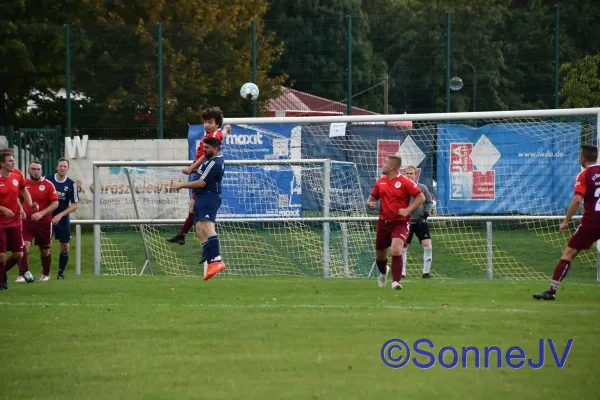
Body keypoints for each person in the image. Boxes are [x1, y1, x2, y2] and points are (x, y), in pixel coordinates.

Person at [534, 144, 600, 300]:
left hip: (592, 222)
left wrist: (565, 221)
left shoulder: (584, 174)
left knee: (568, 253)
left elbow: (577, 200)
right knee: (572, 252)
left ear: (582, 158)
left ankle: (551, 292)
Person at [167, 106, 231, 247]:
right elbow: (222, 134)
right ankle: (183, 235)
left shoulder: (212, 137)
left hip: (202, 173)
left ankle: (185, 236)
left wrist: (191, 168)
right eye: (205, 122)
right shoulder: (217, 133)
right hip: (201, 171)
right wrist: (226, 129)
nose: (207, 125)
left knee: (194, 210)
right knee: (193, 209)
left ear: (217, 124)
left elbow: (204, 156)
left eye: (210, 122)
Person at [367, 154, 425, 290]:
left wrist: (407, 210)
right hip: (383, 223)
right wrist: (370, 203)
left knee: (396, 249)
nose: (382, 165)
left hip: (400, 223)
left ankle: (396, 282)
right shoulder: (380, 181)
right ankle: (383, 272)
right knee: (380, 256)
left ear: (392, 166)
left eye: (385, 163)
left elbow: (420, 197)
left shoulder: (405, 182)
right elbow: (373, 197)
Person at [173, 136, 226, 281]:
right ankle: (210, 260)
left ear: (216, 149)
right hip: (202, 197)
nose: (204, 150)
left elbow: (201, 183)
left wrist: (182, 185)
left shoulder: (215, 163)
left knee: (208, 228)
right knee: (199, 228)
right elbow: (202, 172)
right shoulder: (210, 159)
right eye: (203, 148)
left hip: (209, 197)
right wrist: (192, 170)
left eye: (207, 148)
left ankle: (217, 260)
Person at [13, 161, 59, 281]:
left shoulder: (48, 185)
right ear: (28, 171)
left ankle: (46, 274)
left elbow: (55, 203)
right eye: (33, 169)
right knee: (23, 247)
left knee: (45, 251)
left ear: (41, 171)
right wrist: (21, 210)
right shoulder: (24, 185)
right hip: (26, 221)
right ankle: (22, 274)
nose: (36, 171)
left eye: (38, 169)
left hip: (44, 221)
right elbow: (18, 199)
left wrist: (41, 213)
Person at [0, 150, 38, 290]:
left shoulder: (17, 174)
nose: (13, 162)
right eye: (10, 160)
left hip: (14, 221)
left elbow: (23, 190)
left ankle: (2, 273)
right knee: (1, 255)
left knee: (18, 254)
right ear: (2, 163)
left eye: (13, 160)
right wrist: (3, 209)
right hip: (0, 222)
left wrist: (30, 204)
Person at [45, 158, 79, 279]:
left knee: (65, 246)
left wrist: (61, 215)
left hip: (63, 218)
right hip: (48, 216)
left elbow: (75, 204)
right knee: (46, 245)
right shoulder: (47, 179)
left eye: (65, 166)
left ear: (68, 169)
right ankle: (46, 272)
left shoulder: (71, 184)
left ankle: (60, 272)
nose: (63, 168)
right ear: (56, 167)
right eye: (61, 166)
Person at [401, 165, 434, 278]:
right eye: (407, 173)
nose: (409, 175)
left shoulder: (422, 187)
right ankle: (402, 273)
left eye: (411, 173)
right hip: (406, 222)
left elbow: (429, 201)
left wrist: (425, 215)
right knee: (403, 247)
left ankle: (426, 272)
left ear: (416, 175)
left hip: (420, 222)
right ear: (404, 174)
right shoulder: (400, 188)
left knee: (428, 245)